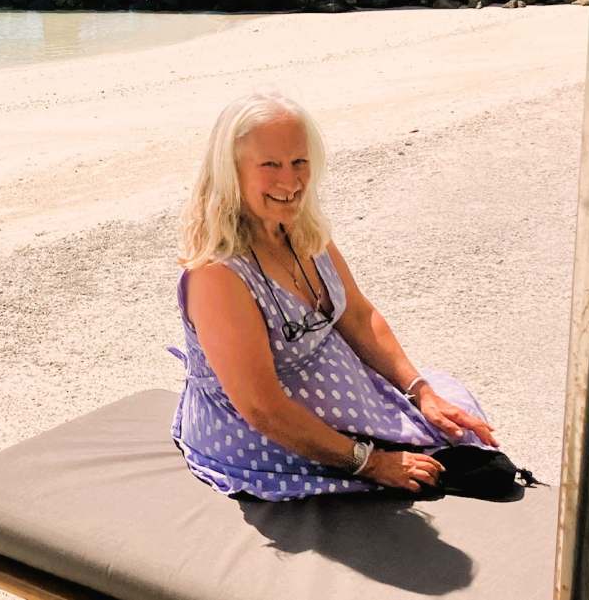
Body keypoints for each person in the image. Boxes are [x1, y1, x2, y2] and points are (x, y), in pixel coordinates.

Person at [169, 91, 502, 501]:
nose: (290, 182)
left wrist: (420, 390)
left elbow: (359, 317)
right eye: (270, 165)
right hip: (261, 436)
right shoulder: (218, 274)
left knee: (452, 410)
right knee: (445, 468)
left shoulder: (299, 230)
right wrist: (370, 462)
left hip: (345, 401)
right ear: (230, 172)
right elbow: (262, 409)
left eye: (299, 162)